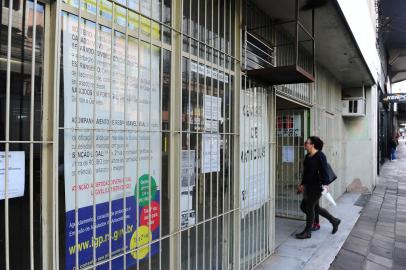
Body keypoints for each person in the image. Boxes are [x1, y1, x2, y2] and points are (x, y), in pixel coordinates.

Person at [296, 136, 341, 239]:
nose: (305, 144)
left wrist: (326, 184)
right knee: (310, 207)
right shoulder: (308, 157)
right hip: (309, 186)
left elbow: (325, 171)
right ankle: (334, 221)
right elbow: (306, 173)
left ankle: (307, 232)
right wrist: (302, 184)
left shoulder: (320, 156)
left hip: (317, 186)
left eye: (306, 143)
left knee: (309, 206)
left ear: (312, 145)